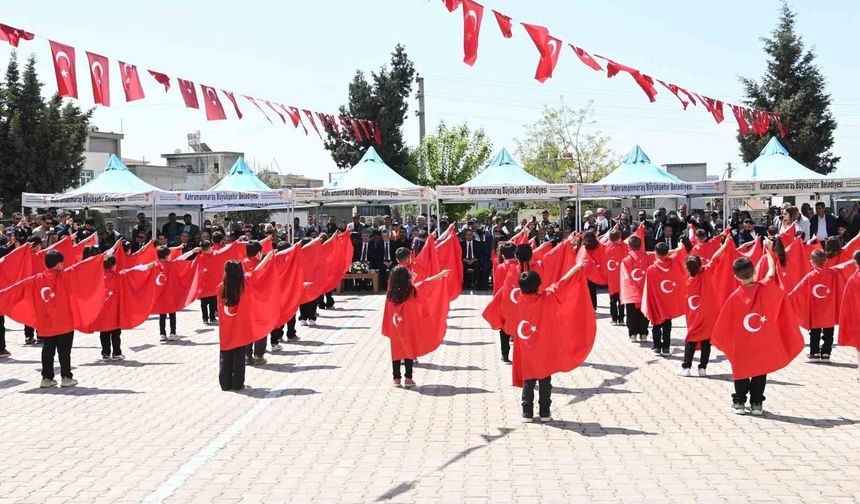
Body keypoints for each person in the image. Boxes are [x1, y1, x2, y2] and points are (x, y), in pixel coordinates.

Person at [711, 248, 804, 415]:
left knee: (740, 370)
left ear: (736, 277)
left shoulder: (734, 297)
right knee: (760, 370)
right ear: (754, 271)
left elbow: (725, 323)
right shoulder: (766, 287)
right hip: (762, 340)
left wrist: (725, 341)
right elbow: (771, 271)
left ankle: (739, 402)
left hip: (742, 342)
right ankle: (756, 404)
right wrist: (769, 251)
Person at [0, 249, 104, 388]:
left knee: (47, 351)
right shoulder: (67, 275)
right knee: (64, 351)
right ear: (59, 263)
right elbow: (82, 268)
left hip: (46, 323)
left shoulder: (36, 280)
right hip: (64, 322)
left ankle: (46, 378)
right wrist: (100, 258)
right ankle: (66, 377)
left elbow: (15, 289)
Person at [382, 266, 450, 388]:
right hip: (409, 328)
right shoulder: (412, 292)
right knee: (409, 350)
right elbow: (426, 283)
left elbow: (387, 313)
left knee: (396, 351)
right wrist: (440, 275)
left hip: (395, 327)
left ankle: (396, 379)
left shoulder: (390, 295)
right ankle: (409, 378)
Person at [789, 249, 842, 362]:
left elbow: (796, 290)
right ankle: (826, 353)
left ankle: (814, 353)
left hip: (815, 310)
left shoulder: (810, 275)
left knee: (815, 332)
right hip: (829, 309)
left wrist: (786, 299)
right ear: (826, 260)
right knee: (829, 332)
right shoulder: (833, 273)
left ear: (811, 262)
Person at [641, 242, 686, 356]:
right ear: (667, 253)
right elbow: (679, 253)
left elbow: (648, 288)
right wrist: (680, 246)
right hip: (669, 301)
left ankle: (657, 346)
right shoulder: (674, 264)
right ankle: (666, 347)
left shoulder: (651, 269)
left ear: (655, 253)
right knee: (667, 325)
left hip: (657, 302)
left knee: (656, 324)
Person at [219, 260, 247, 391]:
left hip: (225, 327)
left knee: (225, 354)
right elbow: (257, 273)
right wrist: (268, 257)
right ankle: (237, 384)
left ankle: (225, 384)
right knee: (239, 356)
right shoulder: (244, 287)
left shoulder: (220, 288)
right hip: (240, 326)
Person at [620, 235, 651, 343]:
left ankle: (632, 334)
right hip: (644, 290)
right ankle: (643, 334)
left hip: (631, 292)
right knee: (643, 313)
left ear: (629, 246)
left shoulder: (626, 260)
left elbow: (625, 278)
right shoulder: (646, 257)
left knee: (631, 313)